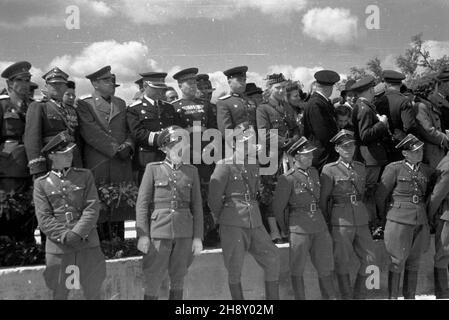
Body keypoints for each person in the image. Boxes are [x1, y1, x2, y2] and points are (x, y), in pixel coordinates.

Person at [208, 122, 280, 300]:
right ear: (234, 144)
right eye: (244, 142)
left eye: (250, 141)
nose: (249, 145)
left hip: (254, 221)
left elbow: (254, 193)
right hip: (232, 222)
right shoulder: (224, 165)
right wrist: (223, 218)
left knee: (272, 258)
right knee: (234, 268)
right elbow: (214, 199)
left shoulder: (253, 164)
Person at [33, 132, 106, 300]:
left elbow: (92, 207)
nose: (69, 156)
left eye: (70, 152)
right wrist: (66, 236)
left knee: (93, 292)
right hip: (59, 248)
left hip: (87, 244)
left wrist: (77, 233)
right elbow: (44, 218)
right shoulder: (41, 183)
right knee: (59, 293)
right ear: (52, 156)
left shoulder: (85, 175)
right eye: (64, 153)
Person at [135, 125, 203, 300]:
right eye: (176, 145)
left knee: (179, 277)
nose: (181, 149)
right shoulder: (153, 168)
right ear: (165, 148)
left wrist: (197, 237)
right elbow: (142, 204)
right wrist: (142, 235)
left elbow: (197, 206)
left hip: (184, 232)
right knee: (153, 276)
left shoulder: (191, 171)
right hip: (159, 231)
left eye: (184, 145)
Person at [273, 137, 336, 300]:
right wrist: (286, 228)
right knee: (297, 269)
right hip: (299, 227)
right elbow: (278, 209)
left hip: (319, 225)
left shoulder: (314, 172)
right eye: (307, 155)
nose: (311, 158)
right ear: (296, 157)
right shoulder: (287, 179)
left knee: (325, 267)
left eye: (311, 155)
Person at [76, 66, 134, 240]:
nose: (111, 83)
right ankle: (102, 245)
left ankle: (120, 244)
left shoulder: (121, 103)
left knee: (120, 203)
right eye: (106, 80)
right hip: (99, 162)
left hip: (120, 163)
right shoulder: (85, 104)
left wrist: (129, 145)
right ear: (95, 84)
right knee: (99, 205)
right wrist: (116, 149)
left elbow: (129, 130)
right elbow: (90, 131)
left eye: (111, 80)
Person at [320, 129, 377, 300]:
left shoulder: (360, 167)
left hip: (360, 218)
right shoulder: (329, 170)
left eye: (351, 145)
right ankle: (346, 296)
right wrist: (327, 223)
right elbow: (323, 200)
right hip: (340, 220)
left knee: (371, 259)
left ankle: (361, 295)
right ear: (337, 149)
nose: (349, 149)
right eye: (344, 147)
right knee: (341, 262)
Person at [376, 134, 434, 299]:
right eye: (415, 151)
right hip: (398, 219)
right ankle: (393, 297)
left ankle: (410, 296)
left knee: (414, 262)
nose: (419, 153)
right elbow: (381, 195)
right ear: (405, 153)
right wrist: (383, 218)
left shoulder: (427, 170)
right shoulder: (393, 168)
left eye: (421, 150)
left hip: (420, 219)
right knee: (397, 261)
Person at [172, 67, 218, 244]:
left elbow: (215, 130)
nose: (192, 86)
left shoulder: (205, 105)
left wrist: (211, 147)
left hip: (207, 156)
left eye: (194, 82)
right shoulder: (174, 107)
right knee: (188, 195)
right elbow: (175, 135)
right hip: (187, 156)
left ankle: (209, 232)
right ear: (179, 85)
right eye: (188, 83)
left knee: (208, 195)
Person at [257, 73, 299, 243]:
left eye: (283, 87)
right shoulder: (263, 109)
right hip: (271, 156)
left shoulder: (288, 107)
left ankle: (286, 228)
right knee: (270, 194)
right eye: (277, 88)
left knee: (287, 192)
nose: (281, 90)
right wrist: (286, 142)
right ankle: (274, 231)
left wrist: (294, 141)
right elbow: (264, 133)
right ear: (269, 89)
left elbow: (296, 128)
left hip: (288, 155)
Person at [24, 67, 82, 180]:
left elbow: (77, 138)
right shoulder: (39, 106)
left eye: (61, 84)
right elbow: (32, 139)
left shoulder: (71, 110)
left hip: (72, 160)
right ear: (46, 86)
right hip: (51, 162)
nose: (57, 87)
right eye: (53, 84)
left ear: (66, 87)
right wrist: (38, 168)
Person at [0, 61, 35, 242]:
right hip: (9, 169)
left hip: (32, 166)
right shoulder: (3, 105)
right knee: (9, 211)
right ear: (10, 84)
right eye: (21, 80)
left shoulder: (33, 106)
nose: (26, 84)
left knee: (30, 212)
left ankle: (27, 248)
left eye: (28, 79)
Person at [351, 76, 391, 234]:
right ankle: (370, 226)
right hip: (369, 158)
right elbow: (365, 135)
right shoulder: (365, 108)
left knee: (369, 192)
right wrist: (382, 124)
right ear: (370, 90)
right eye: (373, 89)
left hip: (370, 157)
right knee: (368, 193)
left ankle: (370, 225)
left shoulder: (364, 106)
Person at [127, 72, 181, 183]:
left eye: (162, 88)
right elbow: (137, 133)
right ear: (145, 86)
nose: (161, 91)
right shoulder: (134, 109)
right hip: (146, 158)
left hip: (169, 156)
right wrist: (161, 139)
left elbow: (177, 128)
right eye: (157, 88)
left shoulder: (169, 107)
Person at [374, 70, 419, 162]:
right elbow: (410, 126)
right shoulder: (403, 101)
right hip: (402, 145)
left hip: (384, 146)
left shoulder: (378, 102)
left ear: (386, 84)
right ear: (401, 84)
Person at [303, 70, 340, 171]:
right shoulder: (316, 104)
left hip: (325, 154)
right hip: (322, 156)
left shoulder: (322, 102)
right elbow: (322, 134)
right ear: (329, 87)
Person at [414, 76, 449, 168]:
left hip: (438, 150)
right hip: (431, 153)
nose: (437, 95)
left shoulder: (429, 105)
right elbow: (428, 131)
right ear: (430, 92)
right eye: (435, 92)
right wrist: (446, 138)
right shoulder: (421, 106)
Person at [428, 151, 449, 299]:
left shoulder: (447, 165)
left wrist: (428, 215)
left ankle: (442, 294)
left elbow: (437, 195)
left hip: (447, 216)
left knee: (442, 256)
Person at [217, 66, 257, 137]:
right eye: (239, 80)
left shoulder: (250, 101)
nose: (243, 83)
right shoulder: (224, 102)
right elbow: (226, 131)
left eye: (244, 80)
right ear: (229, 82)